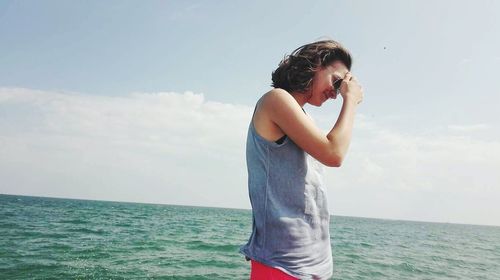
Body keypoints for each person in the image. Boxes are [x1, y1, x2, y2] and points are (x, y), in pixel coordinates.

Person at [239, 39, 364, 279]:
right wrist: (351, 100)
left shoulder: (303, 120)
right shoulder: (275, 100)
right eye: (337, 81)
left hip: (310, 268)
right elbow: (334, 153)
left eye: (341, 89)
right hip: (283, 267)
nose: (337, 93)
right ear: (317, 63)